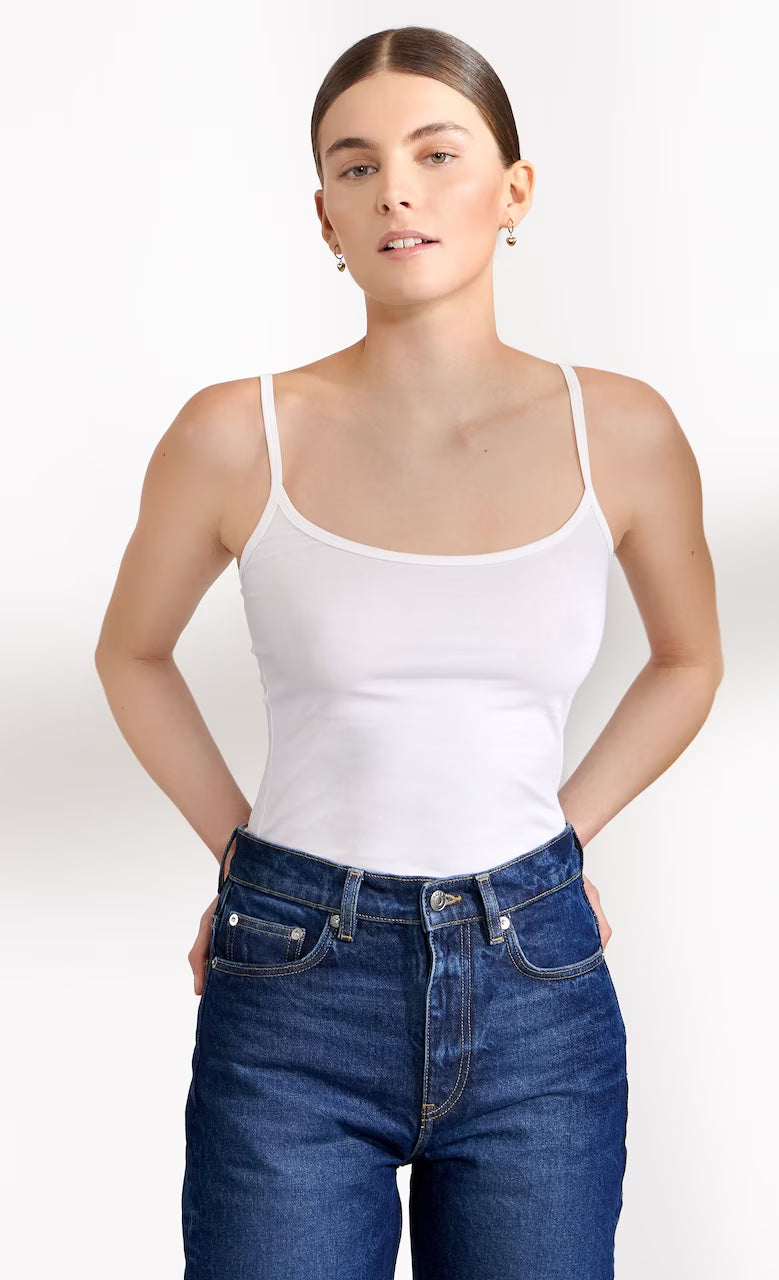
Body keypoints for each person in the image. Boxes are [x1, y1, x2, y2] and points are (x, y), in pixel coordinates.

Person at [95, 24, 724, 1280]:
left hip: (537, 983)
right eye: (355, 165)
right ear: (323, 214)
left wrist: (560, 844)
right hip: (292, 989)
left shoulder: (623, 430)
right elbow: (133, 655)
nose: (396, 190)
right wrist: (246, 860)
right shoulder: (235, 434)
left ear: (514, 189)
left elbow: (687, 660)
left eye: (437, 154)